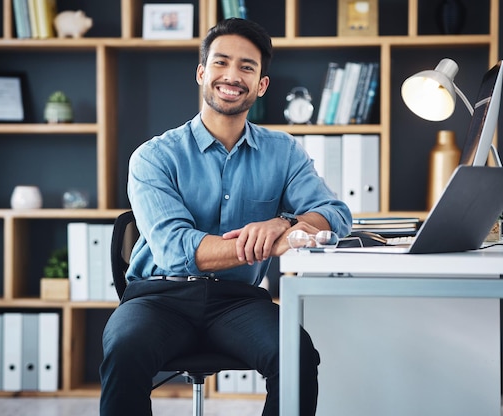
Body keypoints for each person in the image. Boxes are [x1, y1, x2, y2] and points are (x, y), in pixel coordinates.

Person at [99, 18, 352, 416]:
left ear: (261, 85)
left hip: (237, 301)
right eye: (220, 63)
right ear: (202, 73)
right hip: (158, 298)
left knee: (297, 355)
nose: (232, 76)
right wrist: (272, 244)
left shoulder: (283, 152)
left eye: (247, 67)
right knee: (124, 351)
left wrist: (283, 224)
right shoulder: (154, 156)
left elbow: (335, 214)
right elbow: (174, 248)